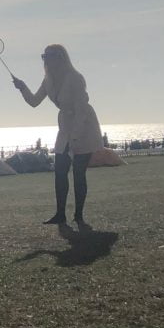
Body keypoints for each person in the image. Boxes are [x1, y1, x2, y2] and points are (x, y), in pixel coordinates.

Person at [13, 44, 102, 225]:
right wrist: (22, 87)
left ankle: (78, 215)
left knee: (78, 172)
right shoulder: (48, 80)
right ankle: (60, 214)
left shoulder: (75, 78)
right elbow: (34, 101)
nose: (45, 60)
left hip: (84, 126)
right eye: (44, 56)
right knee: (60, 171)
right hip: (65, 126)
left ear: (60, 57)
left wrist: (76, 136)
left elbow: (81, 110)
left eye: (49, 56)